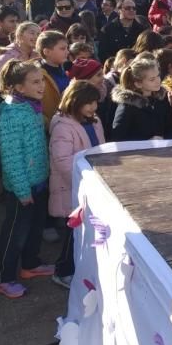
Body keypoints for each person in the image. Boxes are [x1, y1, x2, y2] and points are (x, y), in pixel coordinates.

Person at [0, 60, 54, 298]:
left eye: (42, 80)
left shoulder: (31, 106)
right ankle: (4, 278)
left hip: (38, 181)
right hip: (23, 187)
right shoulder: (11, 114)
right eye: (36, 82)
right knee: (15, 234)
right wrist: (22, 190)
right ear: (19, 87)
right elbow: (11, 158)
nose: (42, 86)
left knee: (35, 227)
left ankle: (30, 264)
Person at [49, 80, 105, 288]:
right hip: (74, 188)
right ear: (74, 102)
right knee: (72, 234)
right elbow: (63, 162)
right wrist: (83, 184)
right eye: (88, 103)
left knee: (82, 232)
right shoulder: (63, 128)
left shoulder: (94, 120)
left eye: (95, 103)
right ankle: (62, 271)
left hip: (91, 185)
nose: (93, 108)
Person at [111, 55, 172, 141]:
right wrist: (146, 143)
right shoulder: (127, 106)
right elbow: (118, 138)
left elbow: (171, 127)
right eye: (152, 79)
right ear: (138, 83)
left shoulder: (161, 99)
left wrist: (165, 141)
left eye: (158, 76)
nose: (158, 81)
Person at [36, 31, 69, 130]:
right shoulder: (37, 76)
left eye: (67, 48)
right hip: (51, 128)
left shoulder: (64, 70)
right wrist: (49, 124)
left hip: (67, 123)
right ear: (47, 52)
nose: (67, 52)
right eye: (62, 49)